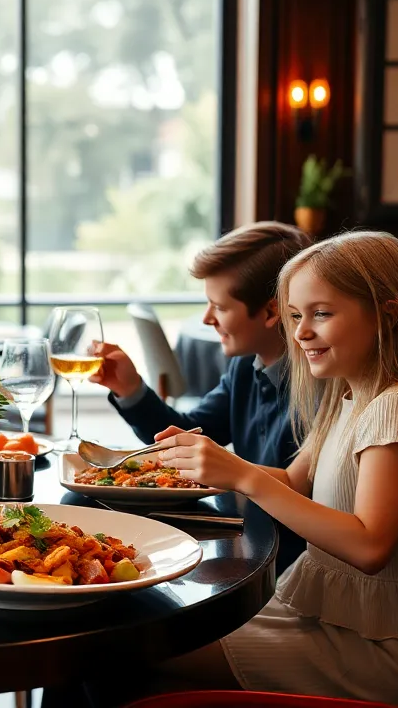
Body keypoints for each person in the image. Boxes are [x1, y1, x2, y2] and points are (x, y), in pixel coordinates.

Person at [153, 231, 398, 707]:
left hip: (377, 649)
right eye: (294, 316)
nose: (299, 333)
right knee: (131, 643)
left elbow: (370, 544)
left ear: (388, 315)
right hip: (330, 619)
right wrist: (215, 463)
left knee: (127, 655)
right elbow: (294, 482)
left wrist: (245, 477)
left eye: (321, 314)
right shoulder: (350, 394)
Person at [92, 221, 312, 569]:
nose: (207, 318)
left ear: (272, 311)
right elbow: (192, 432)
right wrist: (131, 389)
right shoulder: (244, 367)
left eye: (220, 307)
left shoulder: (323, 388)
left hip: (289, 566)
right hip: (247, 547)